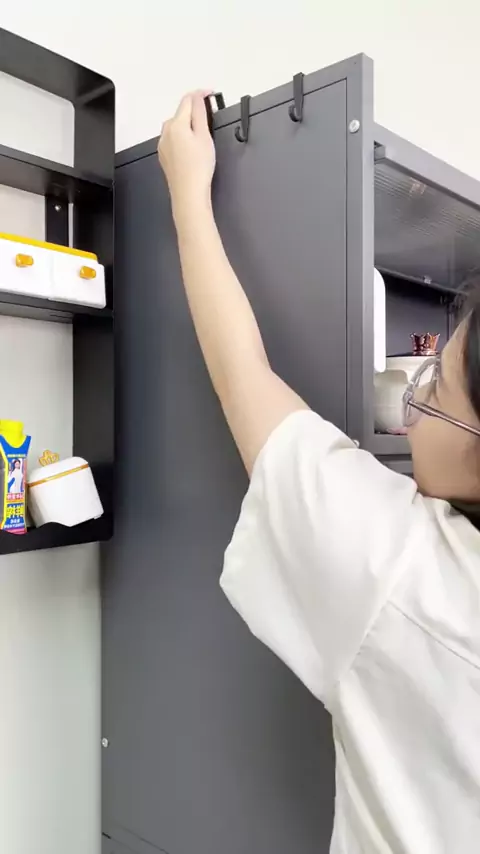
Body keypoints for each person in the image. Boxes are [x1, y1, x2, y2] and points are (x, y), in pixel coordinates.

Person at [158, 91, 480, 853]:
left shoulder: (404, 570)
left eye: (434, 387)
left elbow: (245, 376)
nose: (415, 403)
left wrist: (186, 191)